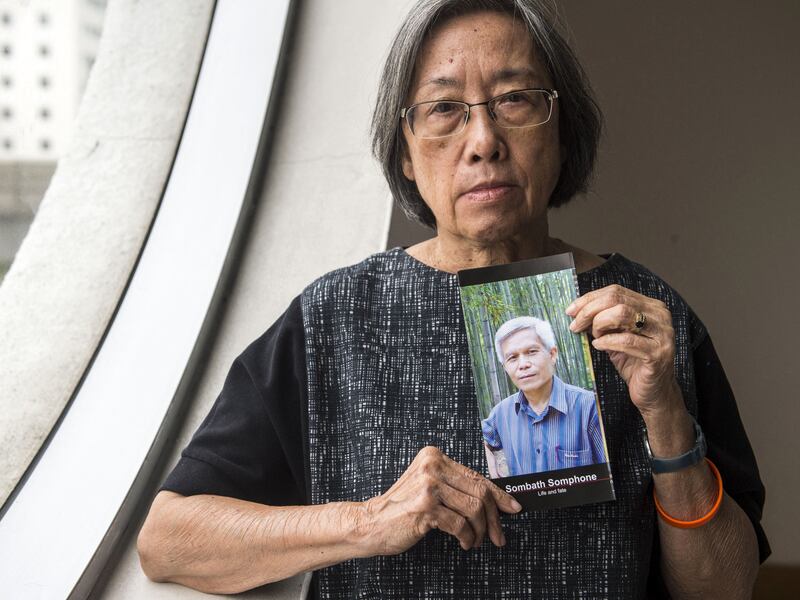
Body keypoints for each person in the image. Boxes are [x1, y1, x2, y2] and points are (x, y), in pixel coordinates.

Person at [137, 1, 770, 598]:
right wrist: (368, 521)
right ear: (406, 152)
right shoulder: (335, 320)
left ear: (561, 128)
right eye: (445, 109)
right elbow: (169, 539)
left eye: (514, 99)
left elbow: (725, 588)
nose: (483, 140)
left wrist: (665, 418)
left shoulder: (649, 317)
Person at [482, 316, 605, 477]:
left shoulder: (589, 407)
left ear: (552, 354)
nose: (523, 364)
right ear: (505, 367)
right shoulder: (500, 413)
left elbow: (611, 476)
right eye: (512, 358)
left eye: (532, 352)